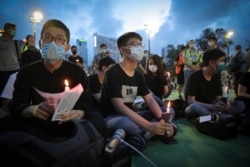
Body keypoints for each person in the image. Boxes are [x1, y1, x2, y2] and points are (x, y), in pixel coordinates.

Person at [8, 19, 105, 138]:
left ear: (66, 47)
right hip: (38, 123)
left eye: (59, 39)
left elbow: (87, 103)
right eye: (48, 38)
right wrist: (32, 110)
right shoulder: (27, 72)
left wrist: (79, 112)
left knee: (97, 119)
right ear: (41, 43)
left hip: (70, 122)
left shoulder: (77, 72)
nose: (53, 43)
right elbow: (16, 105)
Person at [100, 32, 177, 150]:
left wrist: (162, 120)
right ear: (123, 50)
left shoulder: (138, 75)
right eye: (135, 44)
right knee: (128, 125)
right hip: (113, 118)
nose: (140, 48)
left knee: (168, 111)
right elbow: (119, 107)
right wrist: (149, 125)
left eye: (141, 45)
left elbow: (150, 99)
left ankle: (146, 134)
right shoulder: (113, 72)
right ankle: (153, 132)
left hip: (132, 115)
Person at [185, 49, 245, 123]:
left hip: (213, 108)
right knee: (194, 108)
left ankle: (211, 119)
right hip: (200, 108)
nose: (223, 64)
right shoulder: (194, 77)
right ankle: (217, 118)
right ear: (211, 62)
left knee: (240, 105)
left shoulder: (216, 77)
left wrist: (225, 103)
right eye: (221, 60)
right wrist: (212, 106)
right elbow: (191, 101)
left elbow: (218, 98)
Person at [0, 22, 22, 108]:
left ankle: (12, 106)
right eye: (13, 29)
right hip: (3, 70)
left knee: (15, 90)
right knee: (3, 91)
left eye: (15, 30)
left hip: (15, 69)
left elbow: (20, 55)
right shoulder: (1, 41)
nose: (14, 32)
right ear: (7, 30)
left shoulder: (16, 43)